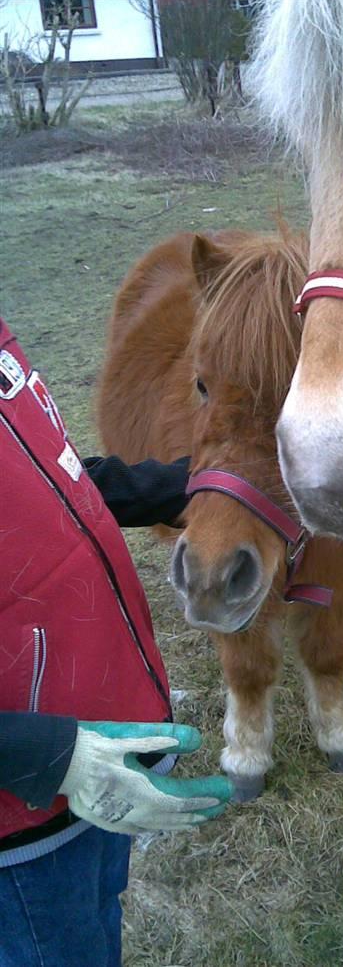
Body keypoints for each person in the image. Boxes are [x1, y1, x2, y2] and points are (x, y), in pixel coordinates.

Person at [0, 318, 232, 967]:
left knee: (100, 922)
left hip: (93, 758)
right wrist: (51, 756)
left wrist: (198, 486)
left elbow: (56, 481)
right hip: (24, 819)